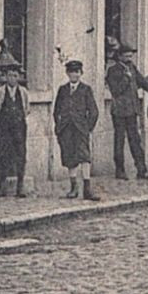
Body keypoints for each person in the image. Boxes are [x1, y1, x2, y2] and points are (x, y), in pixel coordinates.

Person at [105, 42, 148, 179]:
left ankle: (142, 170)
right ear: (120, 56)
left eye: (130, 56)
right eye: (127, 56)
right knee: (119, 141)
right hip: (119, 112)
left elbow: (143, 82)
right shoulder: (113, 71)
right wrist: (126, 79)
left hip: (132, 111)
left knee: (135, 141)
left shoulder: (132, 68)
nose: (129, 58)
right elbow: (115, 91)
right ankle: (120, 170)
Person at [53, 59, 100, 201]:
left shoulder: (86, 89)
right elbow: (56, 110)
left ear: (81, 73)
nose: (74, 75)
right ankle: (73, 188)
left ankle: (87, 188)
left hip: (81, 129)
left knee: (84, 156)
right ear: (67, 73)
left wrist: (87, 128)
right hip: (66, 128)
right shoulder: (63, 90)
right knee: (70, 157)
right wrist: (59, 126)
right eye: (72, 72)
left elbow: (94, 111)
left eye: (77, 72)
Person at [0, 53, 29, 197]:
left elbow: (26, 109)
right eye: (10, 75)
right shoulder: (0, 92)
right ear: (6, 77)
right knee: (3, 154)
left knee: (20, 155)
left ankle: (20, 186)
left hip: (19, 128)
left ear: (18, 78)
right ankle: (1, 185)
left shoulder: (23, 92)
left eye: (15, 76)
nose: (12, 78)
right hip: (4, 128)